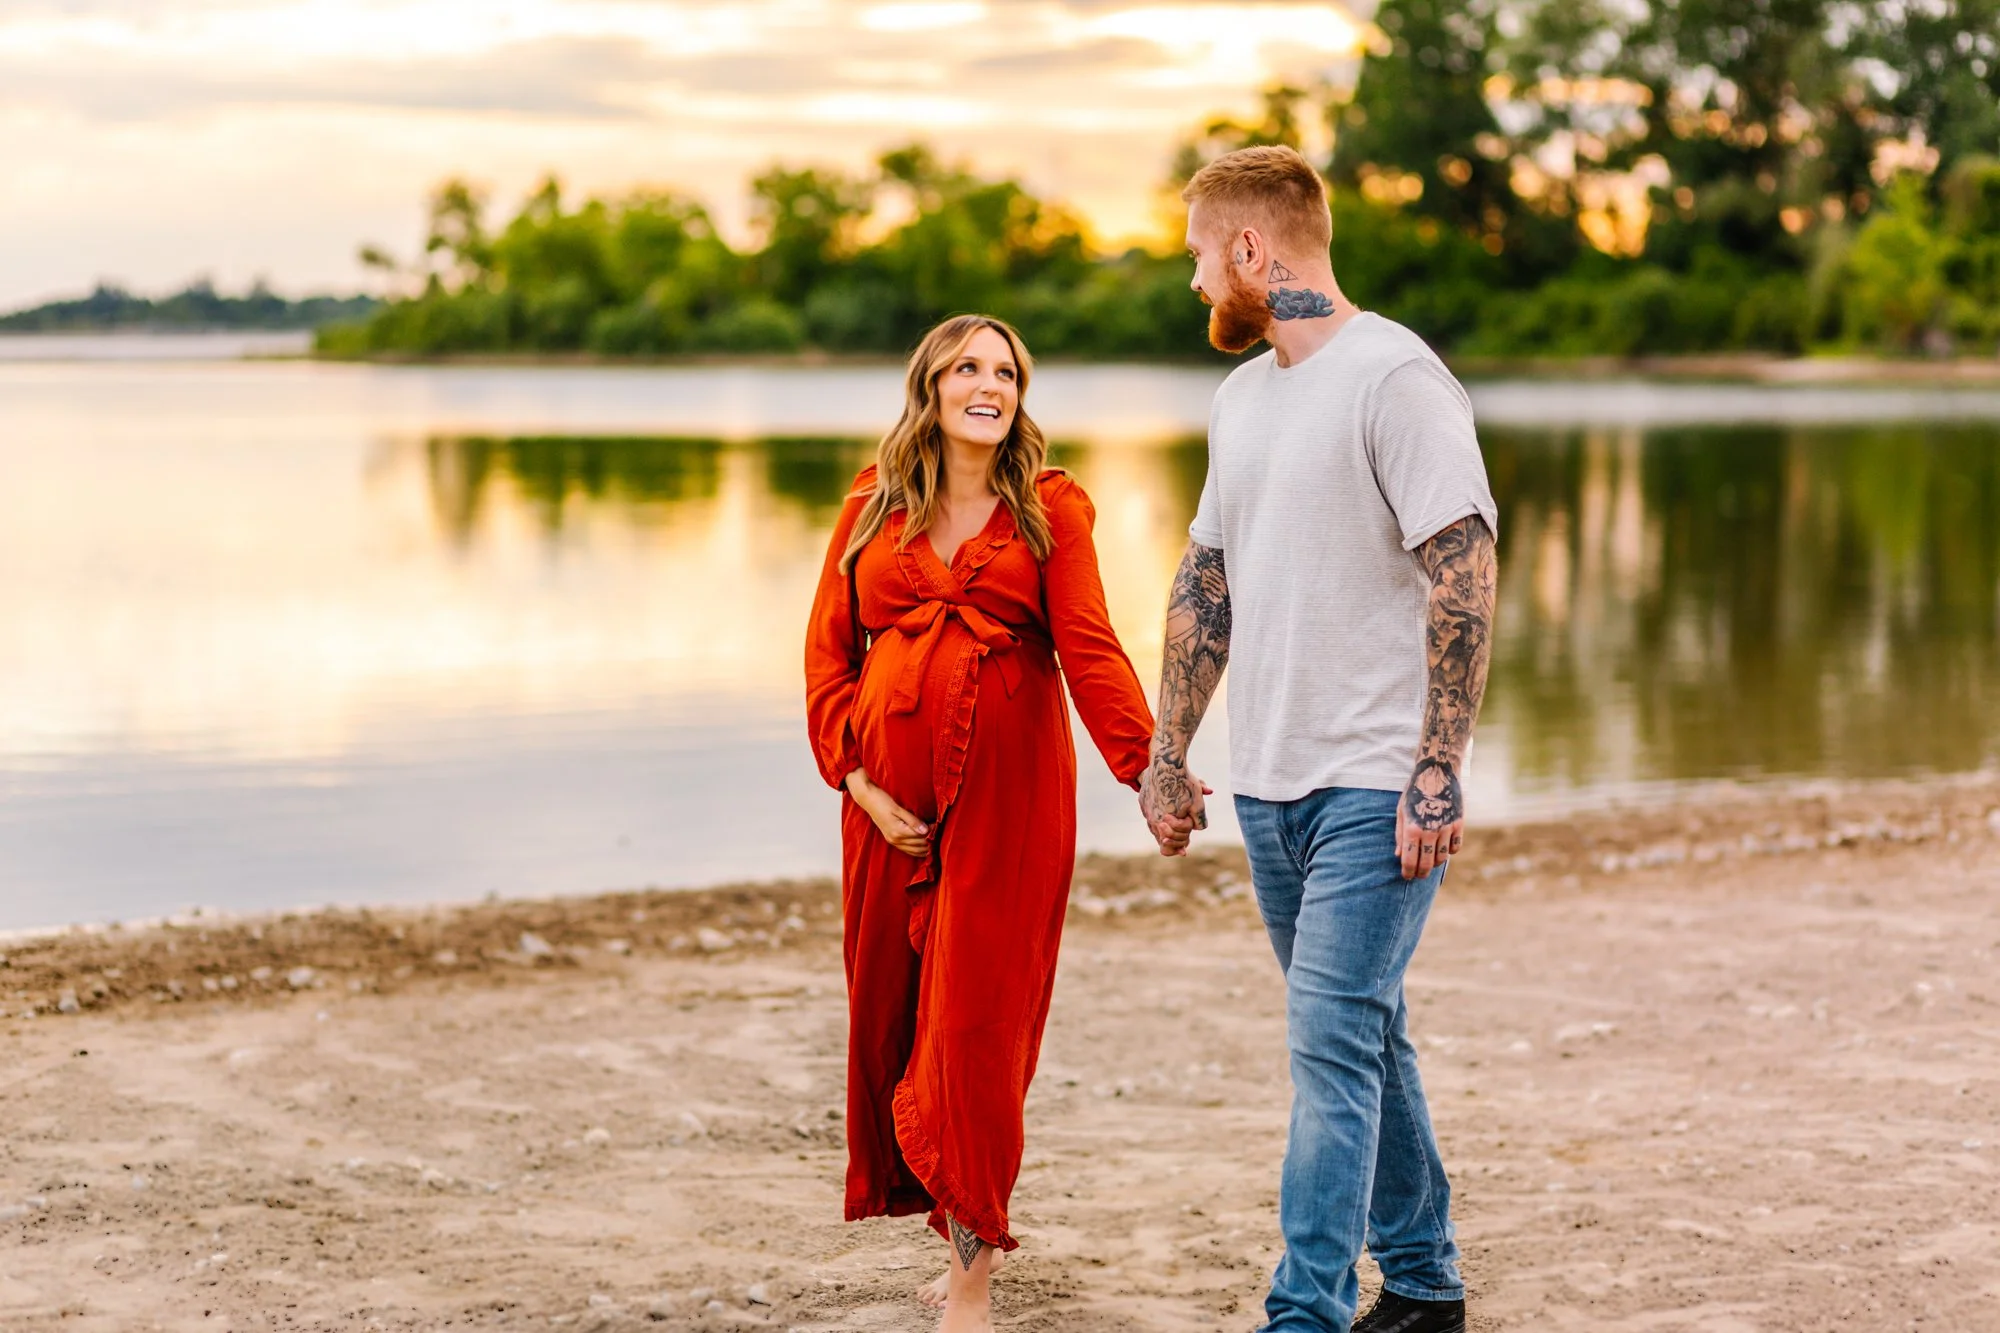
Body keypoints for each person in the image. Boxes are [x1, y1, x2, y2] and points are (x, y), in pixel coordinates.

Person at [1138, 146, 1499, 1333]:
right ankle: (1427, 1281)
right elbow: (1206, 583)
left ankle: (1303, 1312)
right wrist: (1169, 748)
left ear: (1252, 251)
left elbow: (1463, 574)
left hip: (1370, 781)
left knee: (1328, 1048)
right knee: (1362, 1032)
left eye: (1200, 255)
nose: (1196, 282)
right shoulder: (1242, 400)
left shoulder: (1394, 377)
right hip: (1268, 787)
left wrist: (1436, 766)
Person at [803, 314, 1155, 1332]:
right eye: (968, 367)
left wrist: (1145, 767)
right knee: (902, 1017)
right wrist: (860, 783)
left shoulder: (1051, 509)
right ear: (931, 386)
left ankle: (971, 1281)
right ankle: (945, 1219)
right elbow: (829, 659)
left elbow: (1087, 646)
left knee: (974, 1026)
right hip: (884, 815)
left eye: (1005, 371)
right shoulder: (868, 508)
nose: (988, 384)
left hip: (1009, 805)